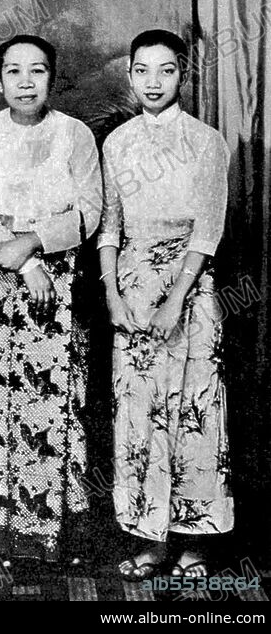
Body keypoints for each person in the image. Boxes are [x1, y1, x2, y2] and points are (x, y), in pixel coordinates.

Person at [0, 35, 102, 563]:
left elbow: (89, 211)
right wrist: (24, 257)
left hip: (59, 282)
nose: (24, 82)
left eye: (36, 71)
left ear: (51, 78)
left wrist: (39, 245)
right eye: (13, 72)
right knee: (1, 400)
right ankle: (1, 527)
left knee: (55, 401)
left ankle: (53, 530)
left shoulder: (75, 134)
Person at [98, 29, 233, 581]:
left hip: (192, 288)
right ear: (130, 74)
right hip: (131, 288)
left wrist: (177, 298)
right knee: (140, 415)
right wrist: (110, 291)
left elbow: (209, 228)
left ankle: (194, 543)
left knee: (195, 413)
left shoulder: (207, 141)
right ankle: (150, 540)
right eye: (143, 70)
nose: (154, 82)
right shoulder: (117, 142)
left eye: (167, 70)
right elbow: (109, 223)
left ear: (183, 75)